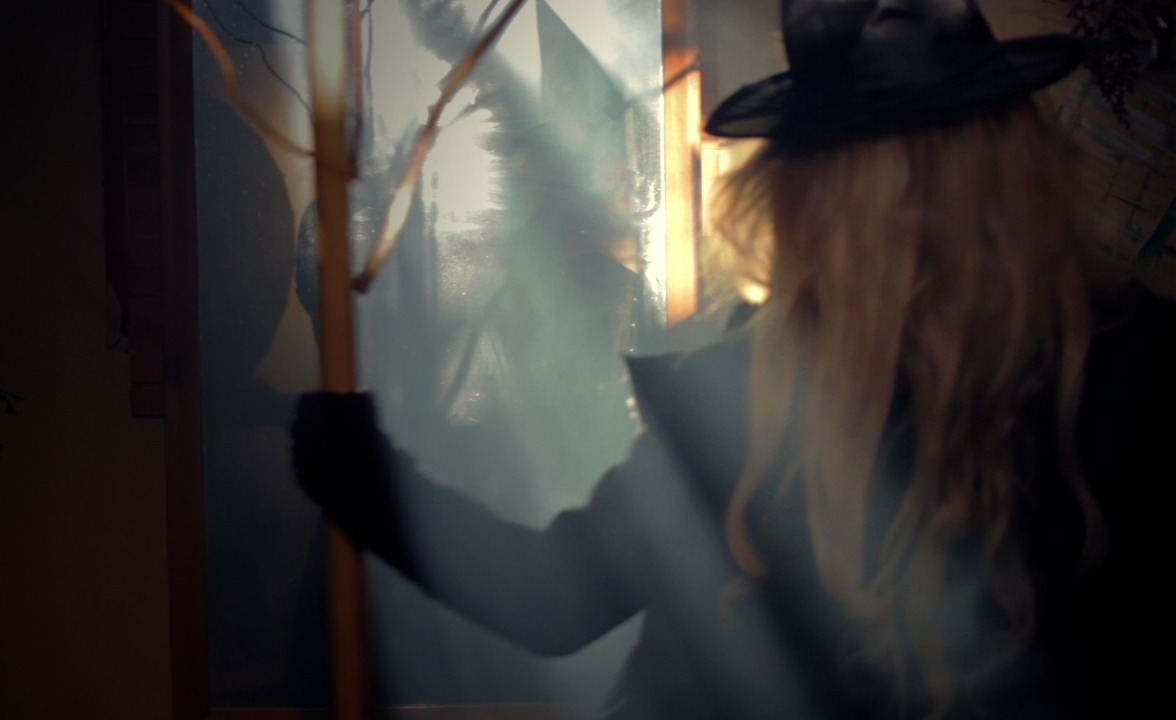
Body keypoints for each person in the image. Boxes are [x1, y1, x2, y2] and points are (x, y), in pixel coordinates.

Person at [291, 0, 1176, 718]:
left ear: (806, 195)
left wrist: (349, 458)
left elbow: (554, 600)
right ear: (1019, 160)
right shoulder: (1142, 361)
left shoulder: (749, 394)